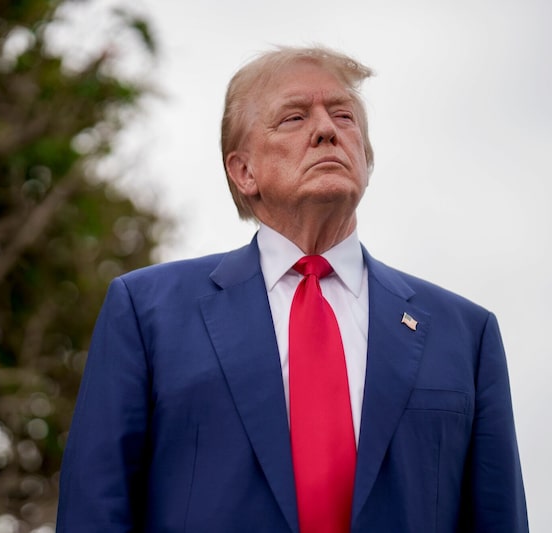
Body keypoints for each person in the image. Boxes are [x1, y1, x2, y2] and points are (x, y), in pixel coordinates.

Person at [56, 46, 528, 532]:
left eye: (342, 115)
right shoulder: (147, 312)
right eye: (294, 117)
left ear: (365, 156)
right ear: (244, 172)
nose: (326, 130)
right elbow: (93, 511)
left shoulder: (466, 335)